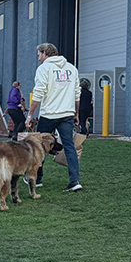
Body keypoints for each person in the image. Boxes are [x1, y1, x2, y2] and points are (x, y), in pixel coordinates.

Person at [25, 42, 81, 191]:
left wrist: (29, 115)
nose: (38, 58)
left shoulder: (44, 68)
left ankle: (37, 179)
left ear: (45, 53)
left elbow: (38, 93)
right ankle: (74, 181)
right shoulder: (72, 69)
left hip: (49, 114)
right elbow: (77, 93)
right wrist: (76, 113)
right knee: (69, 146)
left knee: (39, 146)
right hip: (67, 114)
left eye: (39, 55)